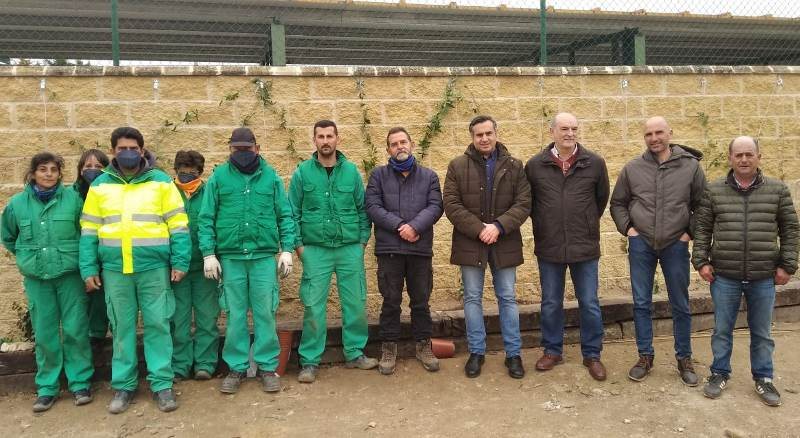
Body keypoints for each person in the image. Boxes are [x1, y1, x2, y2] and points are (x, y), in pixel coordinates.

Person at [80, 127, 190, 414]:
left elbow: (178, 225)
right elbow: (89, 230)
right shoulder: (100, 186)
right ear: (113, 151)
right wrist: (89, 267)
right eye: (121, 148)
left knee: (158, 326)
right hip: (115, 270)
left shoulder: (162, 182)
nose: (127, 152)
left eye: (132, 148)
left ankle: (162, 385)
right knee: (121, 329)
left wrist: (180, 261)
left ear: (142, 150)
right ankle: (123, 386)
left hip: (153, 268)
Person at [693, 136, 799, 406]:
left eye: (749, 155)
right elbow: (702, 228)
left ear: (758, 157)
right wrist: (701, 262)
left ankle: (763, 378)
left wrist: (787, 265)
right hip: (724, 275)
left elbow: (790, 230)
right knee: (722, 329)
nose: (743, 159)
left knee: (762, 331)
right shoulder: (714, 190)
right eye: (738, 155)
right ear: (730, 158)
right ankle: (718, 373)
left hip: (763, 276)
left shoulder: (777, 190)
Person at [610, 116, 706, 385]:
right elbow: (617, 203)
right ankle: (645, 356)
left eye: (659, 132)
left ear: (670, 133)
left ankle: (684, 358)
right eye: (649, 134)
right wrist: (628, 228)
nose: (654, 138)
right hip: (641, 244)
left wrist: (689, 233)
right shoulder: (633, 168)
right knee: (641, 303)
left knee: (680, 303)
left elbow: (704, 205)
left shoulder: (691, 168)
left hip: (676, 244)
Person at [198, 128, 295, 394]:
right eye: (236, 149)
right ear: (230, 149)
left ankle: (266, 367)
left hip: (263, 257)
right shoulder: (219, 178)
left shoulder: (271, 177)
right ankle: (237, 368)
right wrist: (208, 254)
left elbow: (284, 215)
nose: (242, 154)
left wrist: (286, 249)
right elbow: (206, 218)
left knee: (265, 314)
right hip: (231, 259)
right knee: (235, 316)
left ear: (257, 148)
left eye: (247, 149)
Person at [1, 152, 94, 412]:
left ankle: (80, 383)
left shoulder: (74, 200)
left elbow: (86, 235)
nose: (49, 174)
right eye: (43, 169)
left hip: (70, 276)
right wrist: (27, 257)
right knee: (45, 334)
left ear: (60, 174)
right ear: (32, 174)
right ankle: (47, 388)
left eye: (54, 169)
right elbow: (9, 236)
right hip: (37, 279)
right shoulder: (17, 204)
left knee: (76, 331)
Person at [443, 115, 531, 379]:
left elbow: (523, 202)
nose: (484, 138)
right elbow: (452, 204)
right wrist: (480, 228)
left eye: (488, 133)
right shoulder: (457, 166)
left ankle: (513, 354)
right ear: (472, 137)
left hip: (505, 241)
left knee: (507, 297)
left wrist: (499, 226)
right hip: (470, 242)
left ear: (496, 133)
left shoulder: (515, 166)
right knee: (472, 298)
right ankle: (476, 352)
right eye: (479, 134)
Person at [524, 112, 610, 381]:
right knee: (550, 302)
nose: (569, 133)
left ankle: (592, 354)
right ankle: (552, 350)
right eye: (564, 129)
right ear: (552, 132)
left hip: (584, 245)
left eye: (574, 128)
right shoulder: (535, 165)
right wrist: (549, 224)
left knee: (590, 303)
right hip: (549, 245)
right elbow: (530, 204)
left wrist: (582, 223)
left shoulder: (594, 163)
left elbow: (600, 200)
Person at [289, 119, 375, 383]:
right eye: (320, 137)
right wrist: (300, 247)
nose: (325, 141)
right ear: (314, 140)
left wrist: (361, 243)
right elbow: (291, 212)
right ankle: (310, 361)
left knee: (356, 303)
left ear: (338, 139)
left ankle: (355, 352)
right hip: (315, 250)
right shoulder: (302, 173)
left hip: (349, 248)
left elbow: (363, 210)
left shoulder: (351, 172)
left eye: (330, 136)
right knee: (313, 306)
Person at [365, 127, 444, 375]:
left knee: (421, 301)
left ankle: (423, 345)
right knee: (391, 301)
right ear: (388, 149)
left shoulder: (429, 176)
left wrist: (415, 227)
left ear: (411, 144)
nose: (400, 147)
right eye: (394, 144)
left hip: (420, 249)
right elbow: (372, 206)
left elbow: (435, 206)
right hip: (390, 250)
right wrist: (400, 226)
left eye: (403, 142)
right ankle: (389, 348)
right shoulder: (378, 176)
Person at [170, 150, 220, 382]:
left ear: (200, 173)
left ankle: (205, 363)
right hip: (176, 268)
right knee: (178, 319)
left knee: (207, 317)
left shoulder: (209, 191)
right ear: (175, 172)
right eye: (183, 173)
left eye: (192, 174)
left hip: (204, 266)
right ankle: (180, 364)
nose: (187, 178)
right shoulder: (168, 193)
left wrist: (214, 256)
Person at [72, 149, 111, 347]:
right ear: (80, 170)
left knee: (103, 302)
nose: (92, 170)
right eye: (87, 166)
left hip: (106, 255)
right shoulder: (73, 196)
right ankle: (89, 338)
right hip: (80, 257)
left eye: (98, 166)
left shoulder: (112, 193)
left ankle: (99, 334)